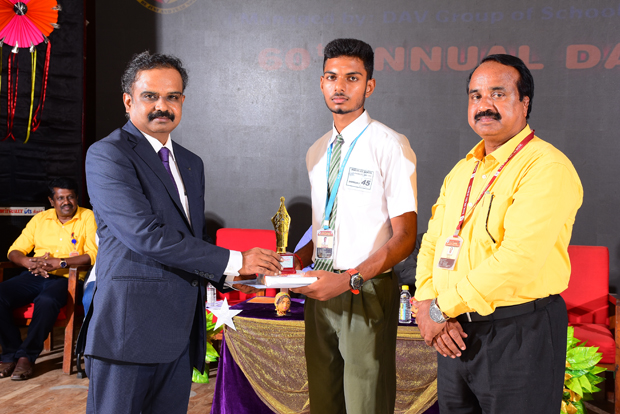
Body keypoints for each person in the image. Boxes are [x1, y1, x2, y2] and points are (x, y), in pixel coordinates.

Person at [83, 51, 282, 414]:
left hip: (178, 333)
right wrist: (235, 260)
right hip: (127, 331)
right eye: (150, 96)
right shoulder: (108, 155)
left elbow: (192, 240)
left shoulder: (191, 162)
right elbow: (145, 235)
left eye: (172, 97)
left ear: (182, 101)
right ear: (128, 101)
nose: (162, 106)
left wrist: (232, 278)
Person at [413, 54, 583, 413]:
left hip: (517, 334)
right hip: (455, 333)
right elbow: (432, 242)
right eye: (475, 96)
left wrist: (440, 309)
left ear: (525, 103)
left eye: (498, 94)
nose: (484, 105)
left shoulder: (545, 167)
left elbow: (518, 260)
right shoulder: (462, 170)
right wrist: (426, 303)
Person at [293, 38, 418, 414]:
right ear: (321, 83)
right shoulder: (317, 151)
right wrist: (297, 260)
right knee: (324, 401)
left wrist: (350, 278)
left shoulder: (390, 144)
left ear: (369, 85)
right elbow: (325, 225)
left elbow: (405, 237)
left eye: (352, 78)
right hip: (320, 289)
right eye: (332, 77)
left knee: (366, 403)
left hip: (365, 288)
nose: (340, 86)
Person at [0, 177, 97, 380]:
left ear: (77, 198)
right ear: (52, 201)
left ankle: (26, 356)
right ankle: (10, 353)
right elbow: (14, 250)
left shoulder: (87, 216)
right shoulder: (40, 219)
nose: (66, 202)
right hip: (35, 274)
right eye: (60, 198)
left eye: (70, 197)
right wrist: (27, 262)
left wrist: (60, 263)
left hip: (69, 278)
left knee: (46, 300)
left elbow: (92, 255)